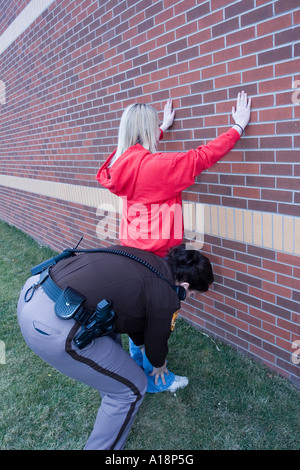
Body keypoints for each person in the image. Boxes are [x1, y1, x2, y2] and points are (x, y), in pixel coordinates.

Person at [96, 91, 252, 391]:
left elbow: (145, 161)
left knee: (138, 309)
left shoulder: (120, 163)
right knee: (159, 314)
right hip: (156, 255)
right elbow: (202, 157)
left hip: (130, 248)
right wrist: (238, 127)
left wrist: (163, 128)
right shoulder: (157, 166)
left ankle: (136, 355)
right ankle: (157, 378)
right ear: (145, 130)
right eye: (153, 125)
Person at [17, 244, 214, 450]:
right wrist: (159, 364)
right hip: (53, 325)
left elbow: (135, 314)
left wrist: (140, 344)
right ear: (184, 286)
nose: (190, 298)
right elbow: (157, 339)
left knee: (111, 334)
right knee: (133, 389)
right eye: (193, 294)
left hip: (34, 291)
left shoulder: (145, 259)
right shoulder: (167, 294)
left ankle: (112, 393)